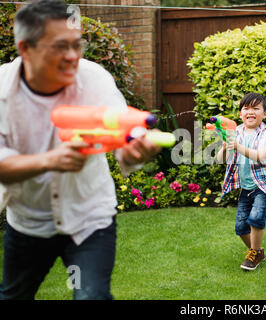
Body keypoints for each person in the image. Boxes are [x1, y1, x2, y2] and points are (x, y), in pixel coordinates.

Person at [0, 0, 160, 300]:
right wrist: (49, 161)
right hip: (29, 222)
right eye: (60, 47)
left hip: (90, 219)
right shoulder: (1, 91)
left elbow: (121, 136)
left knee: (91, 297)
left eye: (77, 45)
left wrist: (134, 150)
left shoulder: (93, 78)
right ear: (25, 48)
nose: (73, 56)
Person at [217, 93, 266, 271]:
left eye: (255, 108)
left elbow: (260, 156)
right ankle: (257, 251)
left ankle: (253, 255)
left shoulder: (265, 133)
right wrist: (224, 145)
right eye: (246, 108)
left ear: (265, 114)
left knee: (256, 218)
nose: (250, 112)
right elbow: (221, 160)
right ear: (240, 114)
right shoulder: (235, 132)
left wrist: (237, 146)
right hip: (247, 187)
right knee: (240, 227)